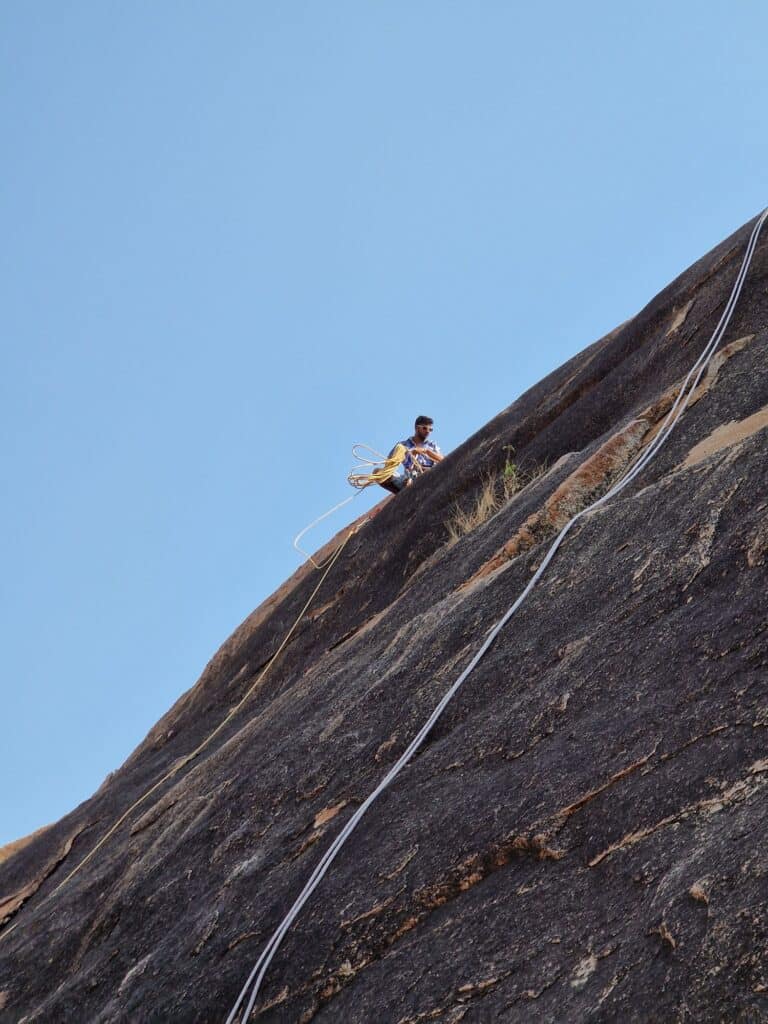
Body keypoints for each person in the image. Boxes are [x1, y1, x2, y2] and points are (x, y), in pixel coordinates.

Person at [380, 415, 444, 494]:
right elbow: (389, 463)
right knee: (378, 473)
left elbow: (443, 460)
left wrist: (427, 451)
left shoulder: (432, 445)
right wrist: (409, 453)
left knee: (411, 481)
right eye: (425, 428)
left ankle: (407, 488)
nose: (428, 431)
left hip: (429, 473)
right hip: (409, 476)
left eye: (430, 430)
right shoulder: (403, 445)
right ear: (417, 428)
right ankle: (400, 493)